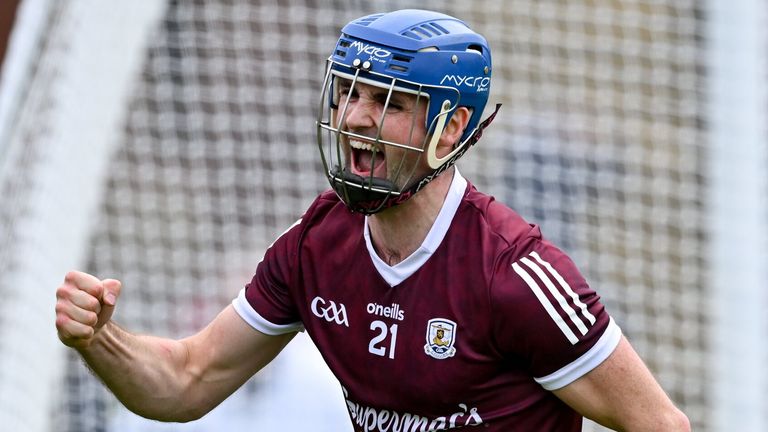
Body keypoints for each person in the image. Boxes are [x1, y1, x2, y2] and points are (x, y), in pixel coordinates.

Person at [55, 9, 691, 431]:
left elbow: (662, 424)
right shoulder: (314, 248)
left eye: (388, 102)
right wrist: (100, 339)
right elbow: (185, 380)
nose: (356, 119)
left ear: (451, 129)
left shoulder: (513, 276)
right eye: (348, 93)